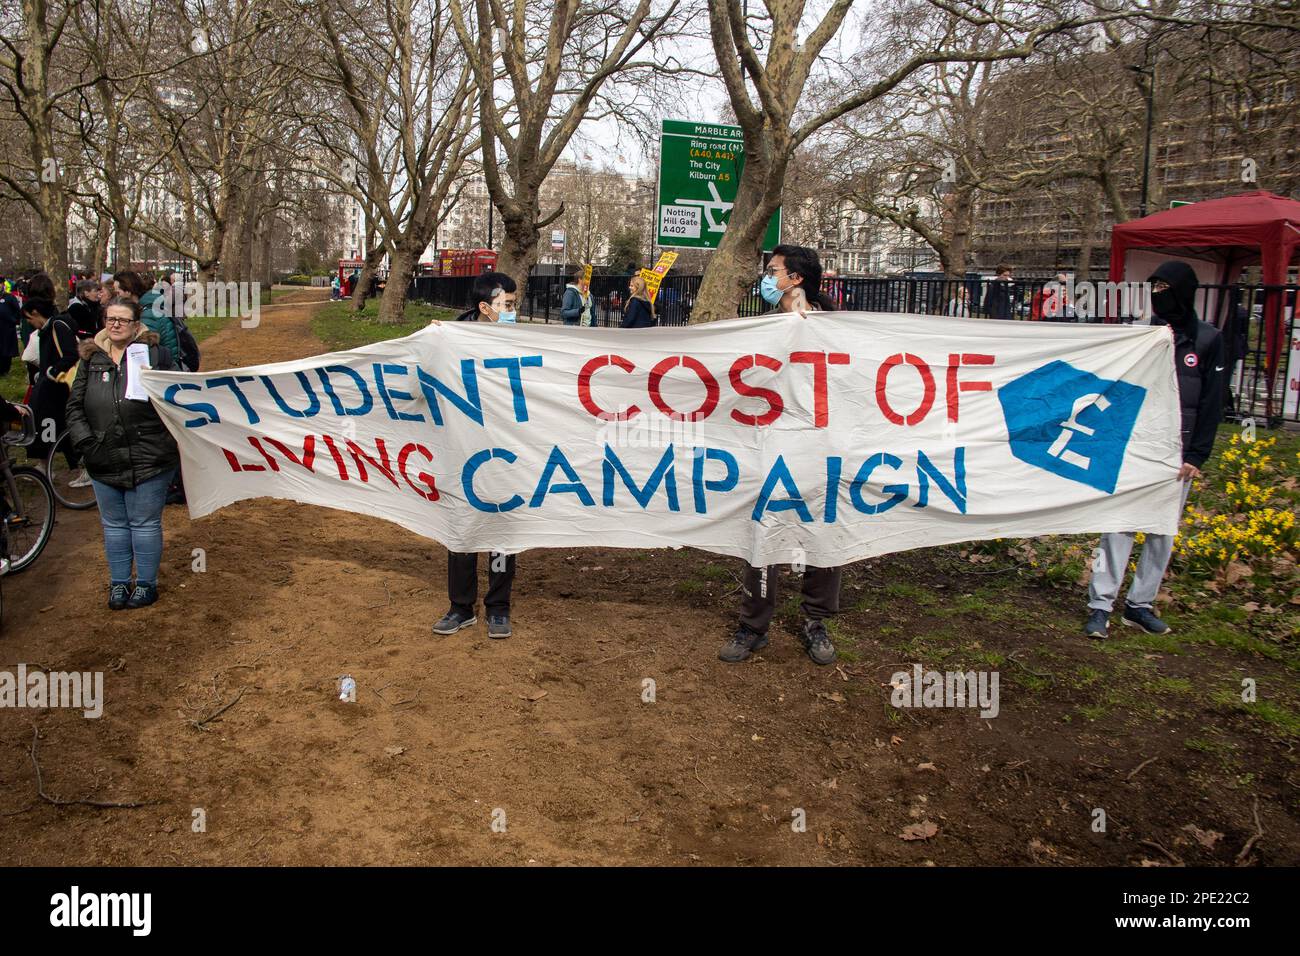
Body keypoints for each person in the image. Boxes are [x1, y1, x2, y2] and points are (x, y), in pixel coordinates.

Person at [1085, 261, 1224, 639]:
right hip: (1135, 447)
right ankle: (1101, 604)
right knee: (1119, 525)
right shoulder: (1141, 335)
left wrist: (1197, 455)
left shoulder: (1208, 341)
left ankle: (1140, 604)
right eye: (1154, 288)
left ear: (1183, 292)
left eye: (1165, 288)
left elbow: (1213, 403)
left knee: (1161, 531)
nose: (1158, 296)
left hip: (1177, 455)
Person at [718, 244, 842, 667]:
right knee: (765, 528)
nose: (767, 278)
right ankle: (754, 626)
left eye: (773, 271)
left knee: (821, 530)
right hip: (769, 442)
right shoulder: (764, 326)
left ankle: (816, 622)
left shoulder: (831, 327)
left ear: (796, 279)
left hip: (818, 444)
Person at [66, 296, 180, 610]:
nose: (116, 325)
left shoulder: (156, 355)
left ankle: (146, 585)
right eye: (110, 319)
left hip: (150, 456)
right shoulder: (90, 360)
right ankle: (119, 584)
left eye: (123, 320)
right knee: (114, 524)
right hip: (103, 455)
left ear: (135, 324)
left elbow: (179, 396)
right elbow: (74, 407)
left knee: (144, 522)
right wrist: (87, 444)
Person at [436, 271, 520, 638]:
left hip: (506, 453)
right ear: (486, 307)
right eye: (509, 305)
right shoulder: (449, 342)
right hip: (462, 449)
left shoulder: (524, 342)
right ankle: (461, 607)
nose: (515, 311)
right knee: (463, 529)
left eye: (516, 304)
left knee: (501, 530)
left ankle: (498, 607)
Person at [22, 297, 79, 464]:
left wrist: (51, 371)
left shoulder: (57, 327)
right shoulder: (49, 328)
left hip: (58, 386)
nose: (29, 323)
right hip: (51, 386)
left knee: (58, 425)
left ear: (35, 313)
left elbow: (71, 355)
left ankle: (77, 466)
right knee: (51, 426)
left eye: (29, 318)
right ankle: (49, 464)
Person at [113, 269, 179, 357]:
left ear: (128, 291)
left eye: (118, 293)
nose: (116, 297)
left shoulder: (148, 315)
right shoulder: (145, 308)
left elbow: (144, 352)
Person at [0, 282, 21, 376]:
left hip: (7, 328)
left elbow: (17, 311)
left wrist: (13, 320)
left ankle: (5, 370)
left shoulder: (9, 297)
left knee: (6, 349)